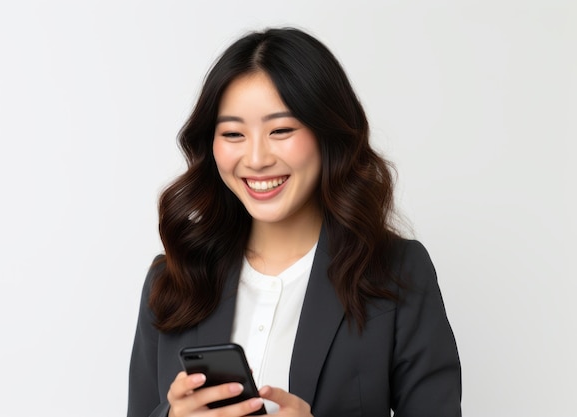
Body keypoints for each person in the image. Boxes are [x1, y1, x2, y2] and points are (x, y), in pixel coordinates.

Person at [128, 27, 461, 417]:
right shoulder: (174, 277)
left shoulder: (397, 272)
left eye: (281, 130)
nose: (255, 159)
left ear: (327, 135)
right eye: (233, 133)